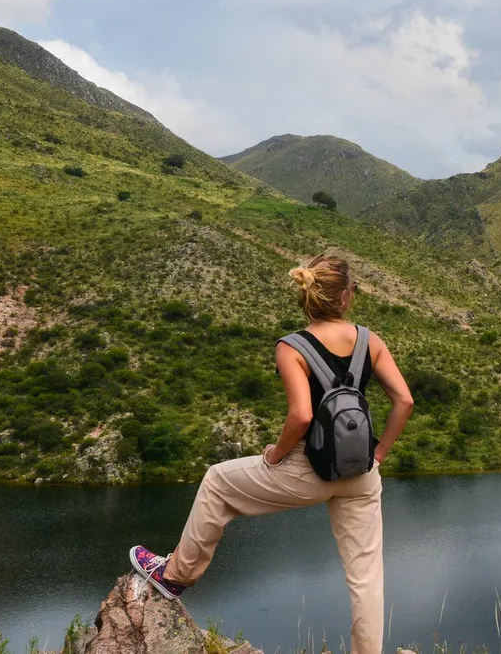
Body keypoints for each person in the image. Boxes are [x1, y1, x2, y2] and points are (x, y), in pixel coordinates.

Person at [129, 253, 414, 654]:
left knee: (216, 480)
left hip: (308, 470)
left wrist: (275, 456)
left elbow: (300, 415)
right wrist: (380, 453)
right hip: (361, 474)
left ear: (306, 296)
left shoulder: (292, 347)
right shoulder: (371, 341)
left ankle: (175, 575)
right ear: (347, 297)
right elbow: (404, 400)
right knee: (365, 576)